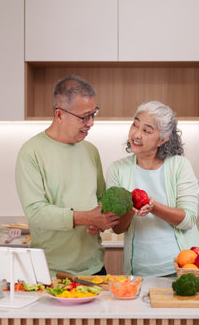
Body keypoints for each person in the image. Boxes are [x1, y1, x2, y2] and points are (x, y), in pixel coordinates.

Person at [15, 75, 120, 277]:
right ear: (59, 115)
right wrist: (85, 217)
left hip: (94, 268)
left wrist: (100, 221)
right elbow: (36, 212)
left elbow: (101, 198)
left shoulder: (90, 150)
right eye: (84, 116)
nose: (90, 123)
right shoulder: (31, 152)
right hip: (51, 272)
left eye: (93, 114)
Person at [106, 101, 199, 277]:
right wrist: (130, 209)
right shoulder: (117, 169)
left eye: (146, 130)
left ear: (163, 139)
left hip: (183, 268)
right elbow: (117, 229)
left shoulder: (180, 166)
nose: (136, 134)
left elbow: (188, 219)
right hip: (138, 271)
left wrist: (154, 207)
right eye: (135, 125)